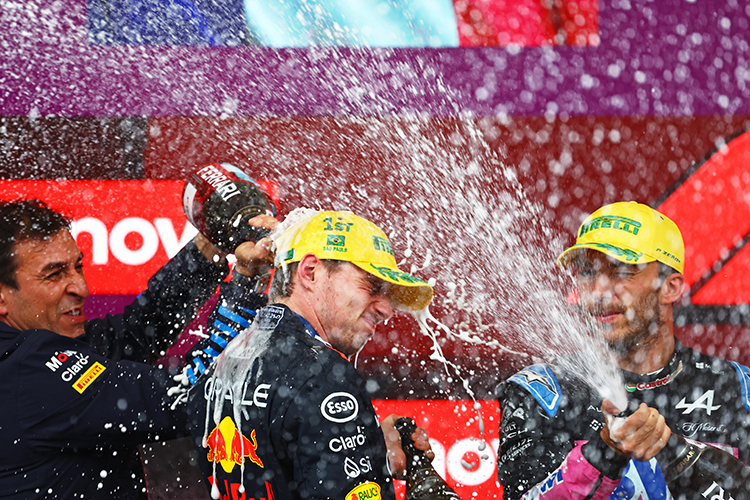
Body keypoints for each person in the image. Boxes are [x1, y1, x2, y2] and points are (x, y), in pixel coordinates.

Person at [0, 199, 268, 500]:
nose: (81, 287)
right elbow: (192, 396)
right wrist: (247, 281)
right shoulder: (29, 371)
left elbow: (139, 330)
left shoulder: (35, 350)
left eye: (78, 267)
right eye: (54, 274)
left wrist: (213, 244)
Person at [496, 201, 750, 499]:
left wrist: (679, 454)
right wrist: (606, 451)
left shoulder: (740, 390)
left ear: (670, 287)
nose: (599, 292)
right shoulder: (541, 392)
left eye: (621, 271)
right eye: (587, 272)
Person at [185, 210, 435, 500]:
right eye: (372, 286)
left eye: (388, 295)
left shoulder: (226, 359)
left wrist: (368, 447)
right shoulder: (324, 378)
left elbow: (281, 456)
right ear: (310, 272)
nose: (385, 309)